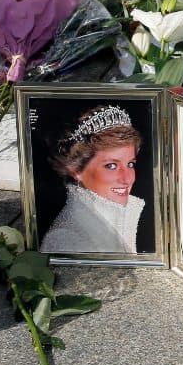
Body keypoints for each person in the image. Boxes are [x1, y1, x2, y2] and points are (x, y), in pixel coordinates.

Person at [40, 105, 145, 254]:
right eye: (111, 166)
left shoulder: (123, 216)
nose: (127, 178)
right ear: (76, 170)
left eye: (130, 164)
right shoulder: (66, 240)